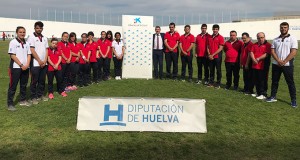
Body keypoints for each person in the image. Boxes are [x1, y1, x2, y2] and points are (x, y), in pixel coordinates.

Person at [266, 22, 298, 108]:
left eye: (285, 27)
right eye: (282, 27)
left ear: (288, 28)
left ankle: (293, 100)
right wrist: (278, 60)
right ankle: (273, 96)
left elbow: (294, 52)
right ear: (279, 28)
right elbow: (272, 51)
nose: (283, 29)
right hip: (276, 64)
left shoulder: (293, 38)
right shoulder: (275, 39)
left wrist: (284, 61)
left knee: (290, 82)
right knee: (275, 81)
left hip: (287, 65)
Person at [7, 26, 31, 111]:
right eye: (20, 32)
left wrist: (27, 64)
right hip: (16, 67)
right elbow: (12, 55)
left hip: (25, 67)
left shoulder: (27, 43)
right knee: (13, 86)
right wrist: (21, 65)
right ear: (17, 33)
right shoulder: (13, 42)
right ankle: (10, 104)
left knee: (23, 85)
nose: (22, 33)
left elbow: (29, 55)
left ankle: (23, 100)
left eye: (23, 32)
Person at [27, 21, 49, 104]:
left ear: (42, 28)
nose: (39, 29)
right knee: (34, 81)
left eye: (40, 28)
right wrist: (39, 60)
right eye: (37, 28)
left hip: (44, 63)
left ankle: (40, 95)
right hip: (35, 63)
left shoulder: (44, 38)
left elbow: (47, 49)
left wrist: (45, 60)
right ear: (34, 28)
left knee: (42, 80)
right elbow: (32, 50)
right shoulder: (31, 37)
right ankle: (33, 97)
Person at [250, 32, 271, 100]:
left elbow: (266, 54)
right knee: (256, 79)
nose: (260, 39)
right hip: (255, 65)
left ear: (264, 37)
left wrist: (258, 59)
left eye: (262, 37)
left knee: (263, 80)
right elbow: (251, 52)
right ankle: (258, 92)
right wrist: (253, 59)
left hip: (263, 66)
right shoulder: (254, 44)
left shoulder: (268, 45)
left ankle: (263, 94)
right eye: (258, 38)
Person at [207, 24, 224, 89]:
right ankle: (211, 82)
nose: (215, 30)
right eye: (214, 29)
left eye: (216, 29)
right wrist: (209, 54)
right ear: (212, 29)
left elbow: (220, 48)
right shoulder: (210, 37)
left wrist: (212, 55)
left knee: (218, 70)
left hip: (217, 56)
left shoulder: (221, 37)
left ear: (218, 30)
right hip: (210, 56)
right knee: (211, 70)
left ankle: (218, 83)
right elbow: (208, 47)